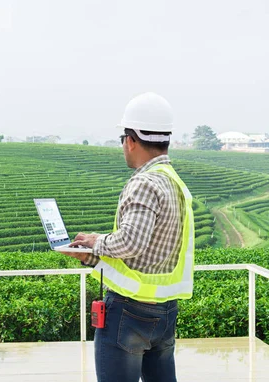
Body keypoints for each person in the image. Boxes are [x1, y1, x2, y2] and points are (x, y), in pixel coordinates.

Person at [58, 92, 195, 382]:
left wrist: (96, 241)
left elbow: (132, 242)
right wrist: (92, 256)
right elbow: (149, 251)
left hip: (130, 314)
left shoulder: (145, 183)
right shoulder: (175, 182)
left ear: (131, 140)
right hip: (165, 311)